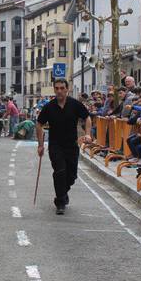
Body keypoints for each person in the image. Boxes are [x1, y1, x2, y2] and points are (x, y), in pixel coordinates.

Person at [36, 79, 92, 215]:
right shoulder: (49, 107)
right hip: (55, 145)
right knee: (60, 171)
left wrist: (88, 134)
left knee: (71, 176)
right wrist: (40, 145)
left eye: (62, 88)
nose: (59, 91)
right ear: (54, 90)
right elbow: (39, 124)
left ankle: (63, 193)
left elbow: (87, 118)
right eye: (57, 88)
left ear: (67, 89)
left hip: (72, 145)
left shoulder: (75, 104)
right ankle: (60, 201)